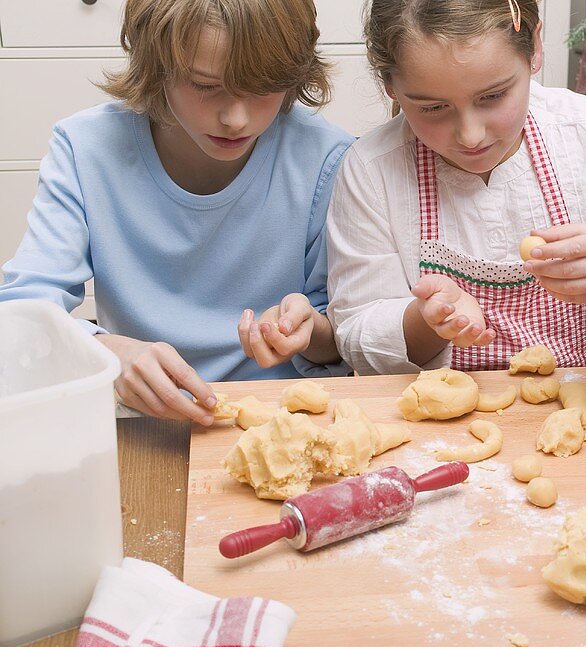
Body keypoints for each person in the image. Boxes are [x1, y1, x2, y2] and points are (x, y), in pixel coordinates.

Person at [0, 0, 354, 424]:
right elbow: (23, 311)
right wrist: (110, 353)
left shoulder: (326, 158)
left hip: (280, 419)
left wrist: (309, 331)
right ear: (155, 63)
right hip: (138, 422)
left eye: (262, 88)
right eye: (205, 85)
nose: (236, 118)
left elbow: (341, 340)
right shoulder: (85, 149)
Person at [324, 0, 586, 375]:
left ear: (535, 49)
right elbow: (358, 336)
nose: (471, 136)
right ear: (390, 84)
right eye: (433, 108)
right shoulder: (372, 169)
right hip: (440, 430)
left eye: (492, 97)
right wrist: (430, 320)